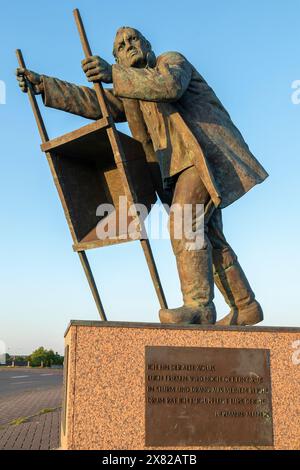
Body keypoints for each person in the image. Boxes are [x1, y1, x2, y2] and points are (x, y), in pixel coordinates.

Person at [16, 27, 268, 326]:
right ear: (118, 58)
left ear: (147, 45)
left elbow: (169, 86)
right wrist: (44, 85)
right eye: (121, 46)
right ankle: (245, 304)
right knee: (208, 236)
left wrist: (114, 74)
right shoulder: (130, 92)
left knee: (184, 220)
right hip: (172, 174)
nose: (129, 45)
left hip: (203, 159)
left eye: (134, 39)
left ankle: (199, 307)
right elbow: (96, 103)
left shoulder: (171, 62)